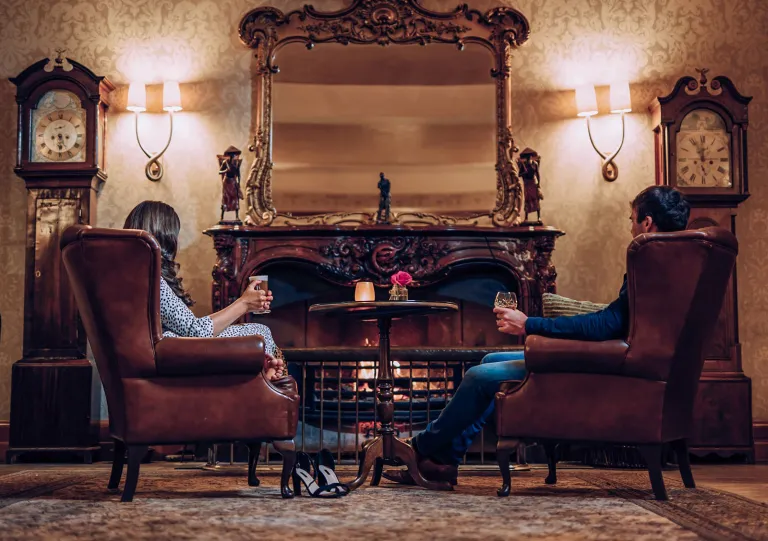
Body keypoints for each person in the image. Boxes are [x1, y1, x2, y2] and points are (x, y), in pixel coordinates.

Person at [384, 185, 691, 485]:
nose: (630, 228)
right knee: (490, 359)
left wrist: (530, 324)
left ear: (647, 222)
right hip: (623, 359)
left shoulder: (650, 262)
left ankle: (421, 448)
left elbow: (606, 325)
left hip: (612, 365)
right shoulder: (677, 263)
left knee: (479, 376)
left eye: (632, 219)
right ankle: (443, 462)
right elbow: (615, 322)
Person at [123, 201, 285, 381]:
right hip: (172, 356)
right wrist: (244, 303)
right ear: (164, 235)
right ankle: (265, 383)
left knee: (258, 333)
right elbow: (196, 331)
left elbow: (191, 328)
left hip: (169, 354)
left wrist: (244, 303)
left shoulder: (132, 275)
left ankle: (263, 380)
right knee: (259, 332)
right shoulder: (149, 279)